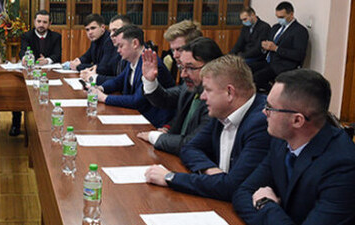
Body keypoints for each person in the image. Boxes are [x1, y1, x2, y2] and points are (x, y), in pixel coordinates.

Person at [233, 69, 355, 225]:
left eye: (270, 108)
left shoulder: (343, 166)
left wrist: (266, 205)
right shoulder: (281, 141)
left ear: (297, 120)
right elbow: (242, 193)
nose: (263, 112)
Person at [145, 54, 271, 202]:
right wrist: (211, 170)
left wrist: (170, 177)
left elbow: (231, 187)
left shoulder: (262, 122)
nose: (203, 97)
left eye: (208, 90)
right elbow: (189, 148)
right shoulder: (222, 112)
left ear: (229, 92)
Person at [137, 37, 223, 155]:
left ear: (213, 67)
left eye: (190, 68)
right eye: (182, 67)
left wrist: (155, 137)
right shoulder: (191, 87)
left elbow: (191, 142)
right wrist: (150, 80)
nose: (182, 74)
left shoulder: (218, 101)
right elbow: (164, 99)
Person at [92, 25, 175, 128]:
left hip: (152, 123)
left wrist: (105, 98)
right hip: (137, 116)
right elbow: (118, 81)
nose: (118, 50)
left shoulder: (151, 65)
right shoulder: (133, 60)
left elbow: (137, 101)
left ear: (135, 43)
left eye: (121, 46)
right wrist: (100, 88)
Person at [10, 10, 62, 135]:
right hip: (30, 72)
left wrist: (47, 60)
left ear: (50, 23)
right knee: (19, 92)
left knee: (50, 96)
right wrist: (26, 58)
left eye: (44, 22)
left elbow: (57, 55)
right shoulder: (26, 36)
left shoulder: (56, 37)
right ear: (34, 22)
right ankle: (16, 124)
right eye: (39, 21)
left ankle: (46, 124)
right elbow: (22, 51)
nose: (41, 25)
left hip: (49, 74)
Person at [255, 1, 309, 90]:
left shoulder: (299, 31)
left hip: (283, 65)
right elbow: (269, 44)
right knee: (247, 70)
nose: (279, 20)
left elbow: (299, 55)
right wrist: (264, 47)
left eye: (282, 17)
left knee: (257, 78)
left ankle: (273, 93)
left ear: (291, 14)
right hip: (268, 61)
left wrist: (276, 49)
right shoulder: (276, 27)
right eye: (277, 17)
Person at [80, 14, 132, 84]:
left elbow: (122, 81)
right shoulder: (96, 41)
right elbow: (111, 72)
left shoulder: (110, 43)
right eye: (111, 31)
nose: (111, 35)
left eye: (115, 30)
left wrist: (93, 77)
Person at [230, 7, 271, 72]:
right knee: (229, 63)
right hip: (245, 55)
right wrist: (230, 55)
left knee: (237, 66)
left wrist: (242, 56)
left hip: (257, 57)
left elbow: (258, 48)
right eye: (242, 20)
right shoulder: (245, 27)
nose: (243, 22)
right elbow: (239, 43)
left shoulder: (264, 27)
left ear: (252, 15)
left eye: (245, 19)